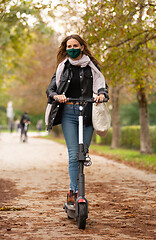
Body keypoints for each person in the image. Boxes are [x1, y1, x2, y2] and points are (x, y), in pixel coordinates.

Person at [46, 34, 108, 205]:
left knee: (83, 153)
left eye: (75, 46)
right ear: (65, 49)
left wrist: (102, 94)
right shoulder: (62, 68)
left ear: (82, 47)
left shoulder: (92, 67)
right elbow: (50, 90)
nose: (72, 49)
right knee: (74, 155)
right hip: (69, 114)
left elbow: (102, 86)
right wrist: (57, 96)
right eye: (69, 46)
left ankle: (77, 190)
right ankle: (74, 191)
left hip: (87, 113)